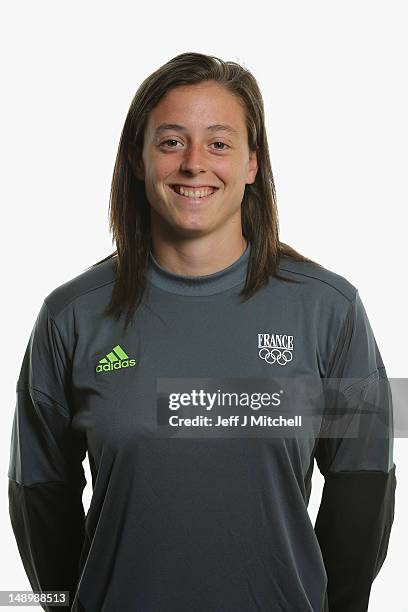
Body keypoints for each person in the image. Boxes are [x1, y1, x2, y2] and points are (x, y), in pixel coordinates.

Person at [8, 51, 396, 612]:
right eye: (170, 141)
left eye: (218, 143)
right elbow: (40, 495)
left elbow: (364, 484)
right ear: (138, 162)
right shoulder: (70, 315)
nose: (194, 164)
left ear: (252, 164)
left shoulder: (331, 310)